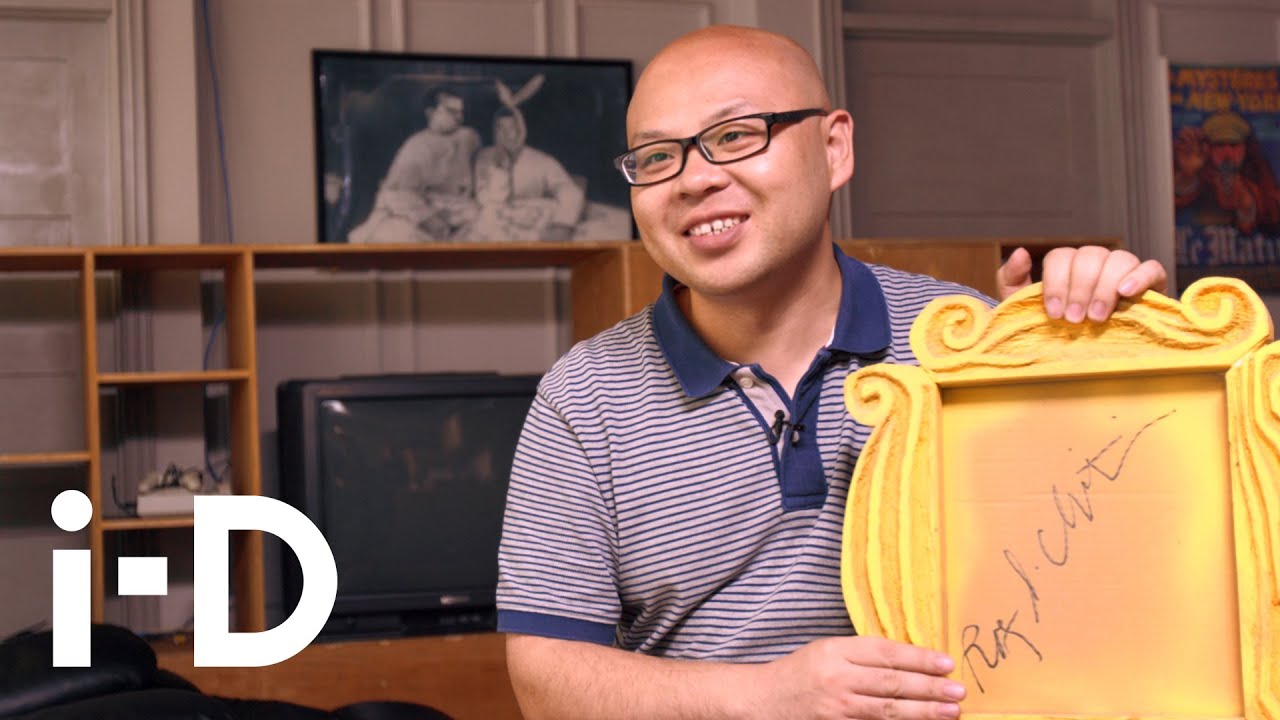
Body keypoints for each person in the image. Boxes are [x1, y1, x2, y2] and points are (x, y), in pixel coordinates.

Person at [496, 25, 1168, 720]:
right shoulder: (585, 394)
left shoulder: (966, 340)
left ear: (834, 147)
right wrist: (764, 698)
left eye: (736, 135)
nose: (695, 179)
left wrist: (1113, 349)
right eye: (658, 156)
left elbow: (1115, 560)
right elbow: (547, 678)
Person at [348, 87, 481, 244]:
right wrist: (430, 220)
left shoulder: (469, 138)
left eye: (461, 112)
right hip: (419, 215)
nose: (459, 118)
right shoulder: (417, 146)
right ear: (431, 113)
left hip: (461, 213)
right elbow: (398, 194)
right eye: (452, 111)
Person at [470, 105, 586, 241]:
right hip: (494, 225)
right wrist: (502, 166)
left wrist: (563, 224)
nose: (506, 134)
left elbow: (570, 191)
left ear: (522, 131)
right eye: (500, 128)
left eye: (512, 128)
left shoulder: (541, 161)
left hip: (531, 225)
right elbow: (485, 198)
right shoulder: (484, 157)